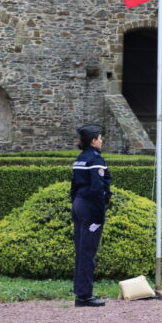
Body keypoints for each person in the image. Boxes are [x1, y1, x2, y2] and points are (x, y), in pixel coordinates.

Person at [70, 124, 112, 307]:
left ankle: (80, 292)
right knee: (88, 252)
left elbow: (74, 186)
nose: (102, 141)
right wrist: (99, 216)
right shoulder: (96, 159)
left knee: (81, 251)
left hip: (78, 204)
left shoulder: (80, 158)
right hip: (89, 207)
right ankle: (84, 296)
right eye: (100, 138)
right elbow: (98, 188)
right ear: (94, 140)